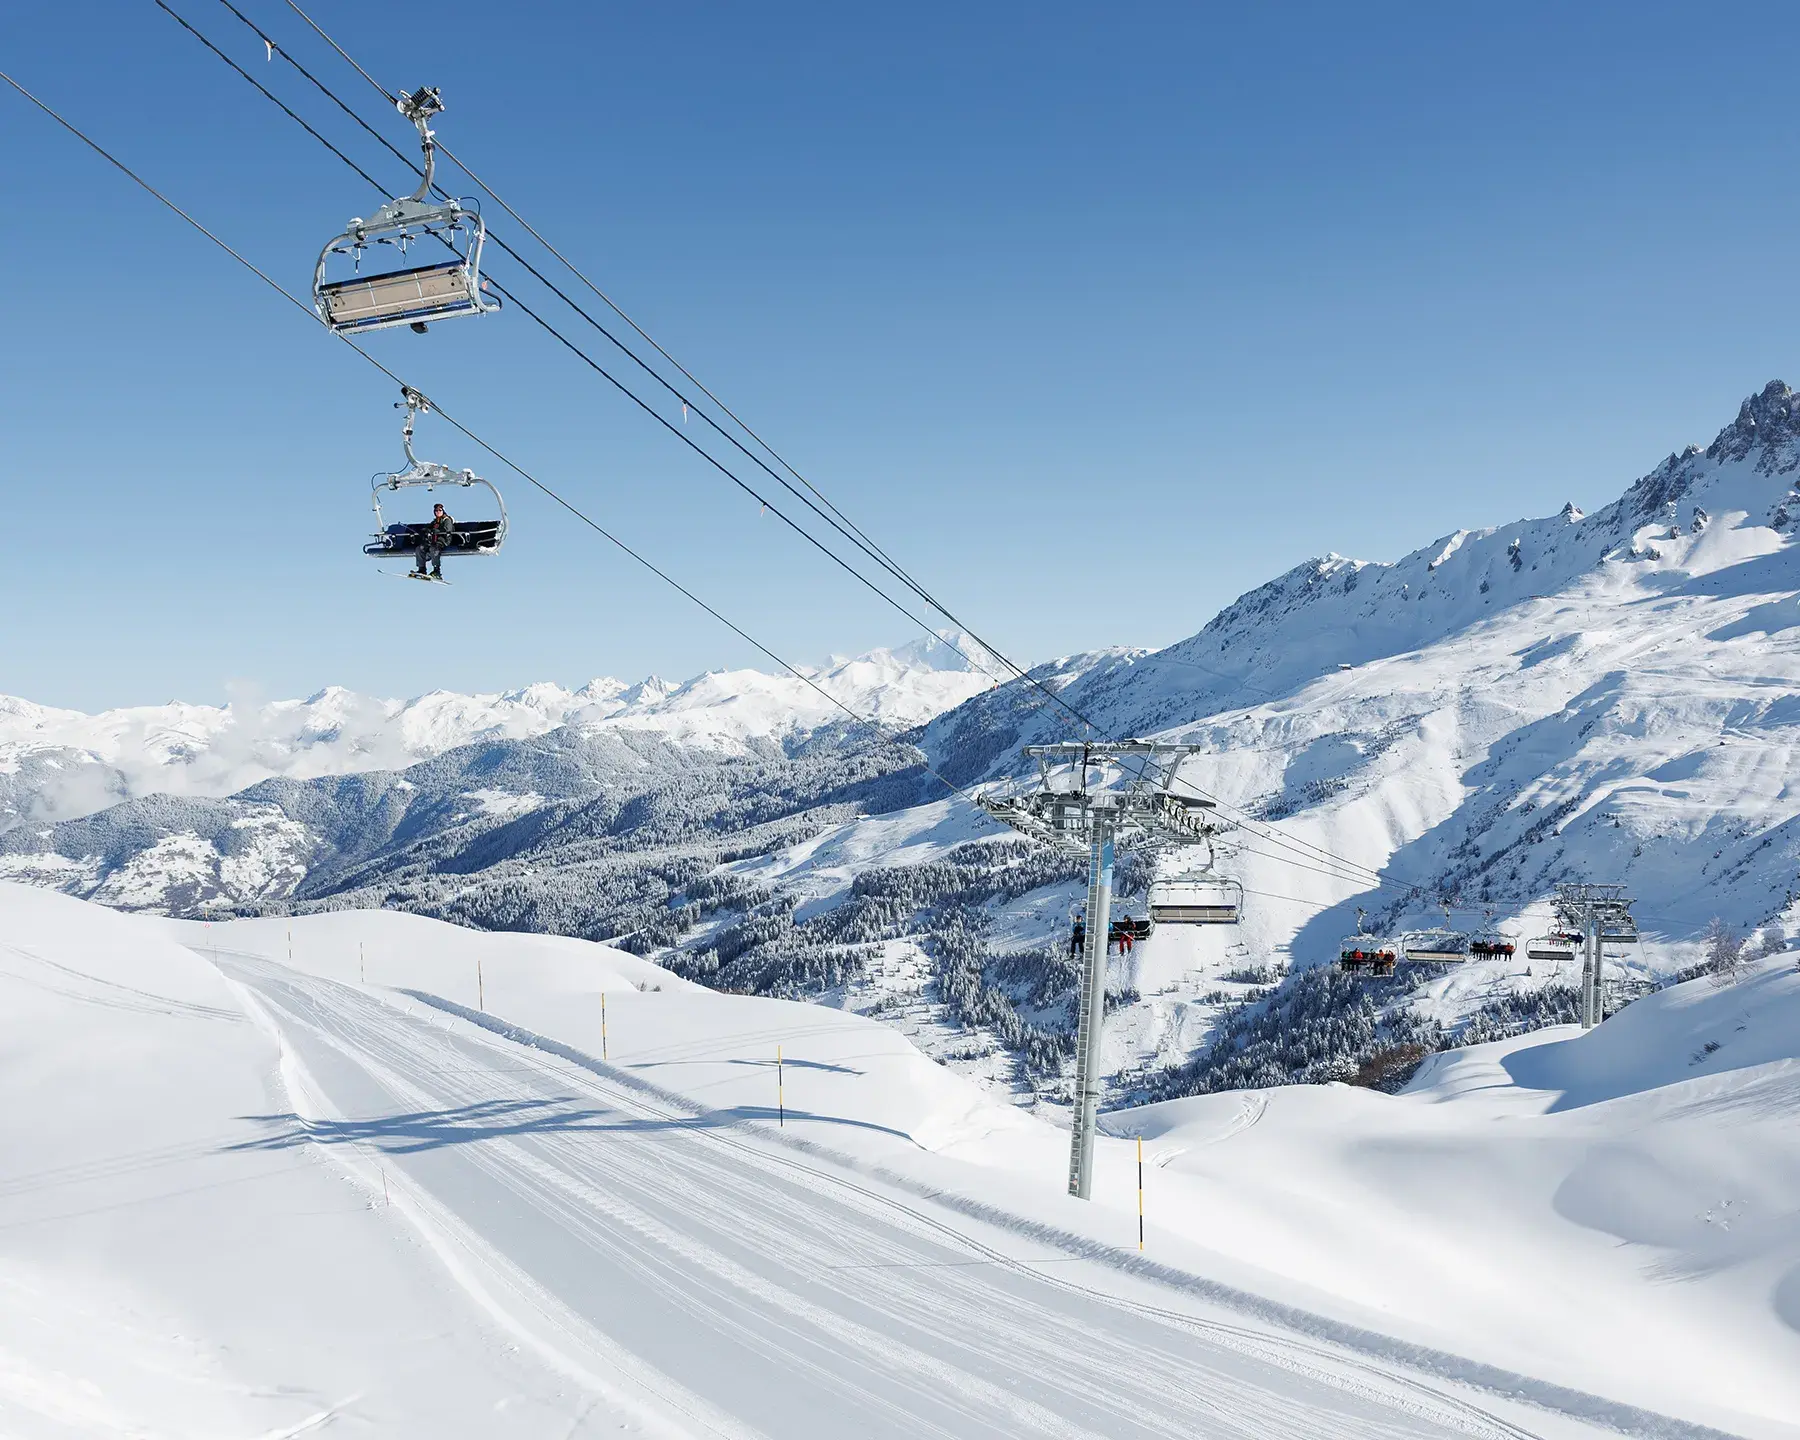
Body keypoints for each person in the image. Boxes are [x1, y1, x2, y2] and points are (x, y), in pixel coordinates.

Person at [414, 502, 457, 578]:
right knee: (420, 548)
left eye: (440, 510)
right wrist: (425, 530)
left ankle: (436, 570)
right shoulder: (435, 521)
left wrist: (437, 531)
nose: (438, 512)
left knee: (434, 549)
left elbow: (448, 530)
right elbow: (429, 527)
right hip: (433, 540)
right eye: (436, 511)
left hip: (442, 540)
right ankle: (422, 569)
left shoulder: (446, 520)